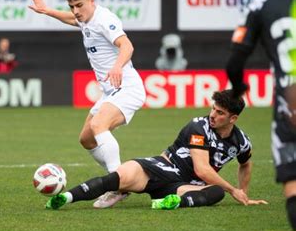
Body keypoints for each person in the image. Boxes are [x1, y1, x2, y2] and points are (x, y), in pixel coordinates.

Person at [29, 0, 146, 209]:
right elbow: (73, 19)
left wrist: (117, 66)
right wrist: (47, 11)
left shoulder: (105, 19)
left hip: (128, 87)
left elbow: (127, 46)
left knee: (98, 126)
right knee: (86, 138)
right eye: (72, 6)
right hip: (110, 91)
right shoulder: (84, 18)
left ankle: (117, 185)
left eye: (80, 5)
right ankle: (121, 178)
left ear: (92, 0)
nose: (76, 11)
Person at [46, 90, 268, 210]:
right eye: (213, 108)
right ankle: (65, 197)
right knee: (119, 176)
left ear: (233, 118)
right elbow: (201, 169)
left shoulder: (241, 142)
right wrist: (234, 190)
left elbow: (245, 163)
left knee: (215, 192)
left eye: (220, 113)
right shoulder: (199, 126)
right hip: (163, 167)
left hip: (186, 186)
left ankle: (168, 202)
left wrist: (244, 192)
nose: (213, 114)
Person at [226, 0, 296, 231]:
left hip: (290, 106)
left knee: (293, 188)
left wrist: (239, 88)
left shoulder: (261, 3)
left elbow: (234, 62)